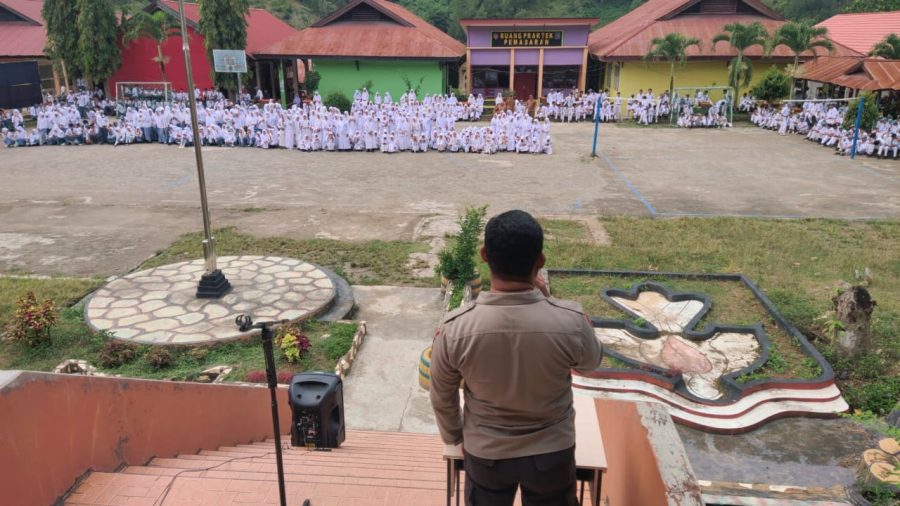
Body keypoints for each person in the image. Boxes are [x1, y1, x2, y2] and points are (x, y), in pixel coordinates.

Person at [429, 210, 603, 506]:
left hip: (486, 453)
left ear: (484, 255)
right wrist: (548, 299)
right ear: (540, 261)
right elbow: (591, 363)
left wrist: (455, 437)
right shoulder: (570, 323)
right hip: (552, 452)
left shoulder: (455, 329)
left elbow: (441, 395)